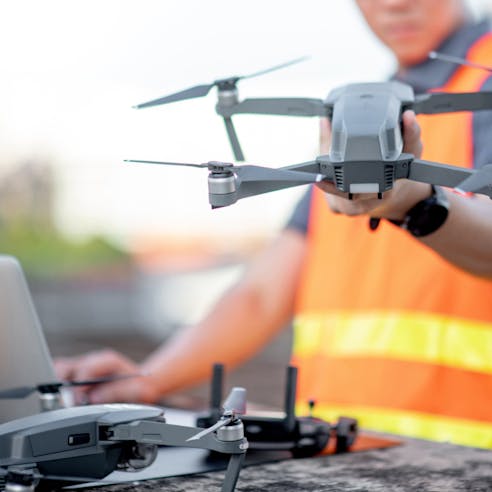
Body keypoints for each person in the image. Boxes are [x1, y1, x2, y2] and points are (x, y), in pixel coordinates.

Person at [56, 0, 492, 448]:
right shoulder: (358, 111)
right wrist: (148, 379)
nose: (395, 3)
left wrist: (415, 201)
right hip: (343, 454)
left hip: (466, 460)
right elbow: (263, 294)